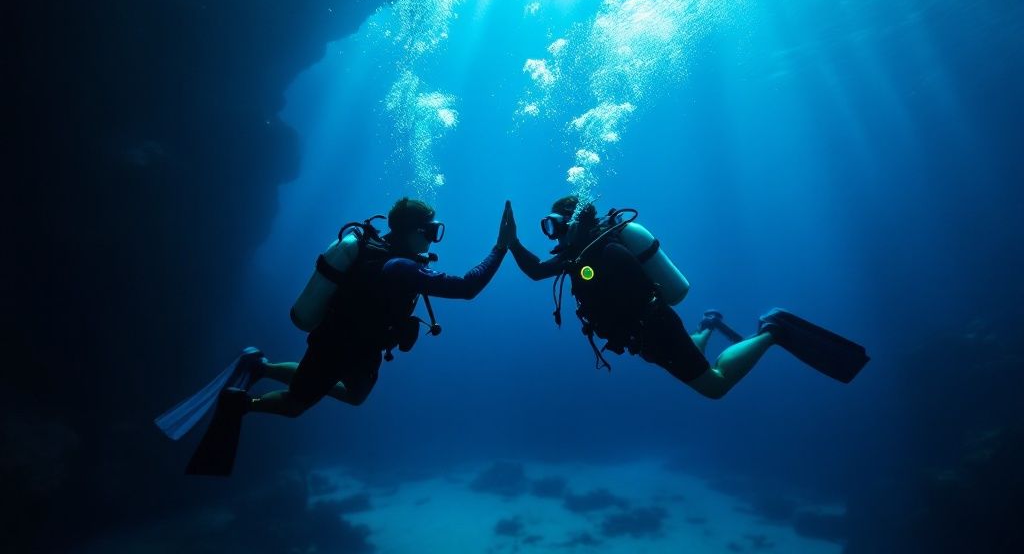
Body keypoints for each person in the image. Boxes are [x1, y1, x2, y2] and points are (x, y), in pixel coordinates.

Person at [157, 197, 517, 475]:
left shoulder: (383, 252)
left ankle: (260, 366)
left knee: (355, 394)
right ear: (412, 230)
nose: (432, 238)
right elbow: (467, 288)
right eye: (431, 230)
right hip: (339, 347)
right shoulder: (399, 265)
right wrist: (501, 247)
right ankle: (242, 404)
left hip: (359, 348)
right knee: (295, 405)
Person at [502, 197, 868, 399]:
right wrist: (511, 242)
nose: (552, 235)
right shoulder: (582, 255)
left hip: (655, 331)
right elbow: (536, 270)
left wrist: (589, 273)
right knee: (690, 350)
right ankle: (708, 325)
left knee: (715, 385)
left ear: (572, 223)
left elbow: (639, 294)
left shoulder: (604, 253)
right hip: (643, 339)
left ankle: (774, 331)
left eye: (554, 225)